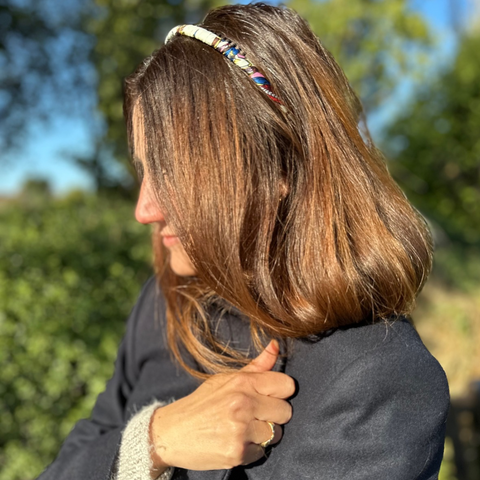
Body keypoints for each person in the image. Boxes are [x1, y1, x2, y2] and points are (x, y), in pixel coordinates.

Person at [37, 3, 450, 480]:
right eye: (143, 169)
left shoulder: (381, 381)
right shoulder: (167, 304)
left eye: (173, 172)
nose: (144, 209)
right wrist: (152, 440)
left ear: (278, 170)